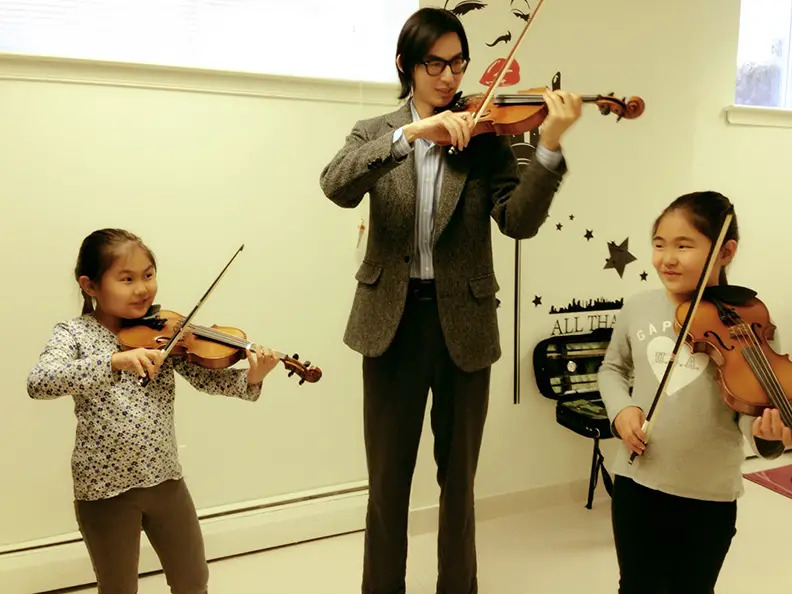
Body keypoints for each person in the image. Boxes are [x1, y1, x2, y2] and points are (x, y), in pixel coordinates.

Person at [319, 7, 581, 593]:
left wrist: (549, 144)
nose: (448, 76)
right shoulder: (373, 131)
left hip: (462, 324)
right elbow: (336, 185)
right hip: (390, 323)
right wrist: (411, 135)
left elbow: (518, 222)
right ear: (405, 65)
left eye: (457, 63)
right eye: (435, 63)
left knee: (458, 484)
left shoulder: (486, 140)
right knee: (387, 484)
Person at [27, 228, 280, 594]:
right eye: (126, 279)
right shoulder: (74, 334)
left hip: (165, 481)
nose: (143, 289)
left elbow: (206, 377)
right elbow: (40, 382)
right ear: (90, 285)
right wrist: (114, 361)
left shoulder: (163, 332)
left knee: (193, 580)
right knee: (118, 587)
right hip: (104, 489)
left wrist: (252, 377)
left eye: (148, 275)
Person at [598, 191, 792, 594]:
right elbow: (612, 368)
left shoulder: (749, 322)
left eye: (684, 246)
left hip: (709, 495)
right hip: (637, 483)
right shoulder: (638, 307)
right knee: (635, 586)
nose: (667, 258)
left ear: (725, 251)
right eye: (659, 244)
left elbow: (749, 410)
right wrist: (621, 411)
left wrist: (768, 435)